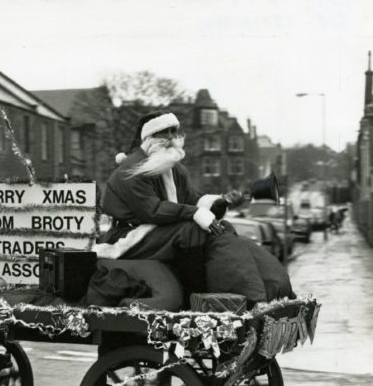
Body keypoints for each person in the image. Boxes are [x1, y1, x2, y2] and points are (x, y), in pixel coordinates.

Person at [96, 110, 292, 305]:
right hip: (127, 237)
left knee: (222, 229)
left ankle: (261, 295)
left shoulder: (174, 168)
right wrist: (196, 213)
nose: (172, 138)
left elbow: (193, 200)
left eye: (175, 131)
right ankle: (197, 296)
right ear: (149, 137)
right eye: (165, 132)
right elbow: (152, 211)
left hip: (156, 232)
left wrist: (221, 202)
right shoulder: (131, 169)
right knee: (190, 231)